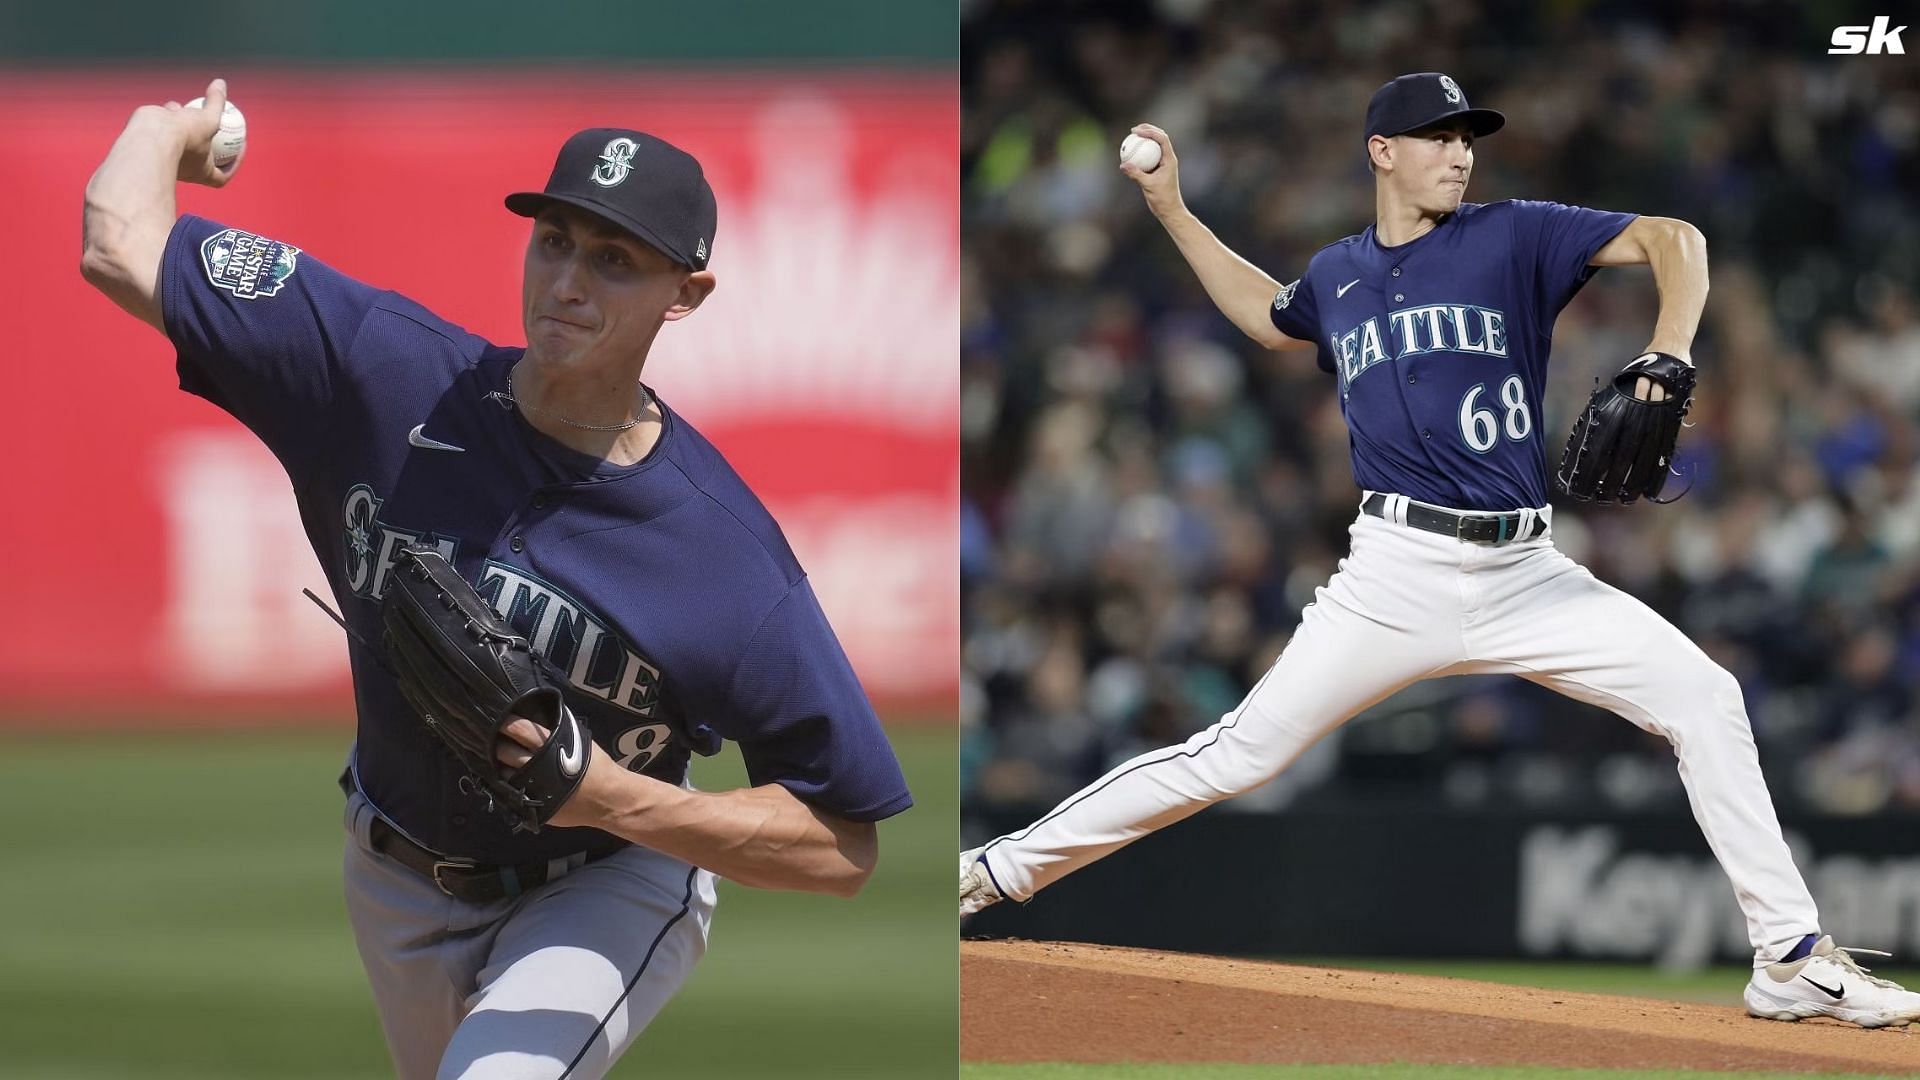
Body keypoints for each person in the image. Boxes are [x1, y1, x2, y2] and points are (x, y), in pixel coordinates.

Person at [960, 72, 1920, 1029]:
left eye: (1468, 137)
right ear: (1382, 151)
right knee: (1237, 754)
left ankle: (1789, 957)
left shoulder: (1513, 234)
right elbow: (1267, 315)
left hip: (1528, 572)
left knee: (1706, 697)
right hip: (1393, 574)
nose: (1460, 152)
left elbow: (1680, 240)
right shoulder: (1338, 275)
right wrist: (1170, 207)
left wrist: (1669, 349)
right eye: (1436, 136)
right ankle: (991, 873)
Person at [81, 80, 914, 1078]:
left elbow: (841, 843)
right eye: (554, 239)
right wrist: (160, 128)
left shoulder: (718, 552)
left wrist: (613, 797)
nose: (568, 280)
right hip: (390, 868)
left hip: (604, 883)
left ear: (684, 295)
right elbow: (118, 248)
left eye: (614, 260)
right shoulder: (381, 368)